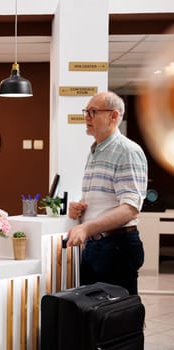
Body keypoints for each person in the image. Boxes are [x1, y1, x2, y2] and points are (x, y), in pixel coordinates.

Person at [66, 91, 148, 295]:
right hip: (97, 246)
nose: (86, 117)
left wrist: (86, 228)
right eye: (86, 111)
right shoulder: (95, 151)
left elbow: (130, 209)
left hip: (116, 247)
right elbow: (106, 200)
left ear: (114, 116)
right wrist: (80, 208)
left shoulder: (127, 151)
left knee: (116, 320)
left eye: (93, 112)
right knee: (94, 318)